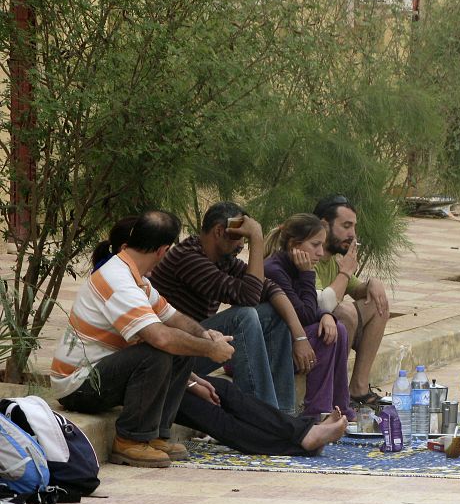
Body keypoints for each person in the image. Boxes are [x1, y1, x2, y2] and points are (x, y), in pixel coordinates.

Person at [88, 217, 347, 456]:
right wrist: (205, 351)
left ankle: (302, 433)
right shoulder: (128, 277)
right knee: (212, 412)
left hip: (147, 373)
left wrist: (199, 356)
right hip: (102, 382)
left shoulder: (141, 282)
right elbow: (160, 340)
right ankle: (301, 440)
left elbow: (172, 323)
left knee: (224, 391)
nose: (240, 245)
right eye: (238, 239)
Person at [50, 211, 235, 468]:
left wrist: (206, 336)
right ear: (163, 250)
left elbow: (172, 316)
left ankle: (157, 436)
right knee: (157, 350)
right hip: (77, 385)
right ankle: (129, 442)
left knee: (182, 346)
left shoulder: (136, 277)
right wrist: (210, 350)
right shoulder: (117, 279)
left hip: (101, 375)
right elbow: (159, 337)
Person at [150, 201, 311, 413]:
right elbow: (250, 297)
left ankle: (283, 414)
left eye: (246, 238)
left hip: (196, 348)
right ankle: (261, 420)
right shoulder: (188, 258)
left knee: (274, 312)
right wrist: (257, 239)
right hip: (171, 356)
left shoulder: (221, 259)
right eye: (240, 238)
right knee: (243, 317)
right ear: (219, 231)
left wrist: (300, 337)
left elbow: (269, 288)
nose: (241, 246)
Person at [264, 214, 355, 421]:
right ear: (295, 245)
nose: (321, 252)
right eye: (315, 245)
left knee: (337, 328)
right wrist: (307, 274)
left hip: (287, 342)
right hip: (268, 350)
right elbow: (304, 315)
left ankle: (341, 408)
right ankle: (317, 413)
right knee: (324, 336)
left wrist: (325, 315)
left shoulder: (295, 266)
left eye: (322, 245)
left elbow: (310, 308)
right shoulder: (275, 270)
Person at [312, 195, 389, 408]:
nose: (352, 234)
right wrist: (346, 271)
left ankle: (358, 389)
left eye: (353, 227)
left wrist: (373, 283)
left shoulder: (334, 258)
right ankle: (335, 394)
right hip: (306, 338)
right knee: (345, 312)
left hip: (329, 332)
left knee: (377, 302)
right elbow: (322, 305)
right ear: (324, 225)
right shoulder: (308, 256)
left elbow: (356, 289)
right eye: (346, 226)